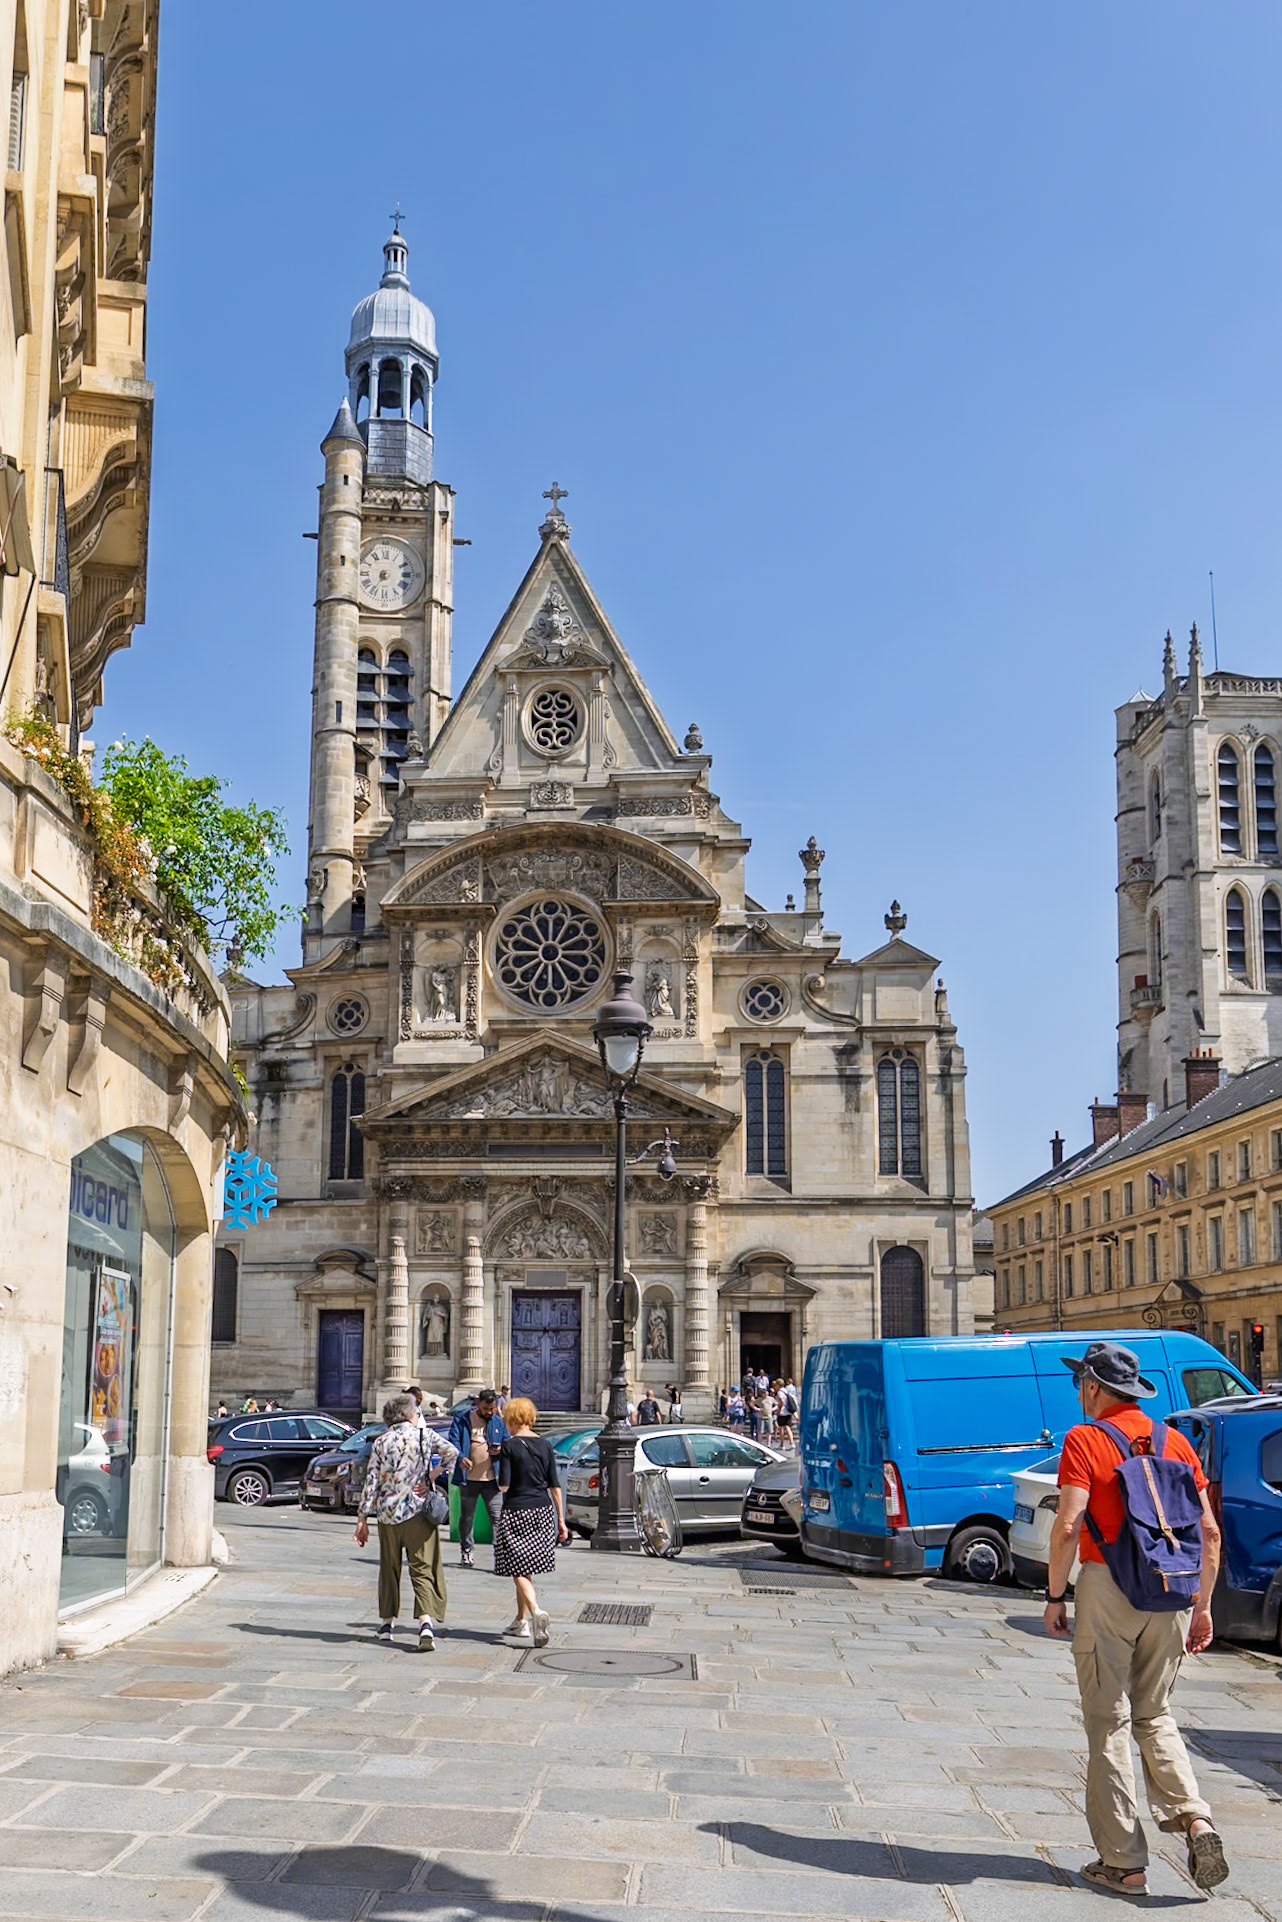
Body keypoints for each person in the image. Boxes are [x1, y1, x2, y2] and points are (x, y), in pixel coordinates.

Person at [1045, 1341, 1227, 1897]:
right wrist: (1203, 1606)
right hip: (1173, 1589)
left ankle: (1124, 1864)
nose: (1079, 1392)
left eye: (1081, 1383)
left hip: (1109, 1586)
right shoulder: (1176, 1441)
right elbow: (1210, 1532)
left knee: (1109, 1721)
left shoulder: (1086, 1439)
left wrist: (1056, 1595)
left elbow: (1070, 1525)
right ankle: (1195, 1817)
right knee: (1155, 1712)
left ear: (1095, 1387)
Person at [354, 1392, 458, 1652]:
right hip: (417, 1512)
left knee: (389, 1568)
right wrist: (431, 1476)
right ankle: (425, 1624)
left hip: (388, 1514)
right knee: (422, 1568)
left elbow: (371, 1481)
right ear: (410, 1414)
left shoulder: (381, 1441)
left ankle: (386, 1625)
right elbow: (452, 1453)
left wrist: (362, 1518)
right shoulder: (423, 1436)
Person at [493, 1395, 568, 1647]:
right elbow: (555, 1486)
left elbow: (503, 1485)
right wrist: (561, 1520)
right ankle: (520, 1621)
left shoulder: (509, 1446)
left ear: (512, 1418)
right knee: (526, 1568)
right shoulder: (545, 1445)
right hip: (543, 1511)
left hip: (517, 1510)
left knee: (516, 1566)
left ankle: (535, 1611)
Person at [448, 1388, 508, 1569]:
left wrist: (501, 1450)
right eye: (485, 1409)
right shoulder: (463, 1419)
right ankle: (466, 1551)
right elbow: (453, 1441)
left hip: (492, 1479)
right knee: (467, 1517)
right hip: (469, 1479)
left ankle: (501, 1555)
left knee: (497, 1517)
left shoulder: (497, 1421)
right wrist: (460, 1458)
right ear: (478, 1405)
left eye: (491, 1409)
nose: (488, 1412)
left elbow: (507, 1442)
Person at [757, 1381, 778, 1445]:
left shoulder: (771, 1399)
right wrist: (757, 1409)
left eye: (766, 1393)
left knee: (769, 1431)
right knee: (760, 1431)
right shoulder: (760, 1399)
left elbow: (777, 1404)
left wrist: (773, 1409)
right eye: (764, 1393)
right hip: (761, 1416)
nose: (766, 1394)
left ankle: (768, 1443)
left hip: (769, 1416)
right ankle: (760, 1443)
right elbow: (752, 1403)